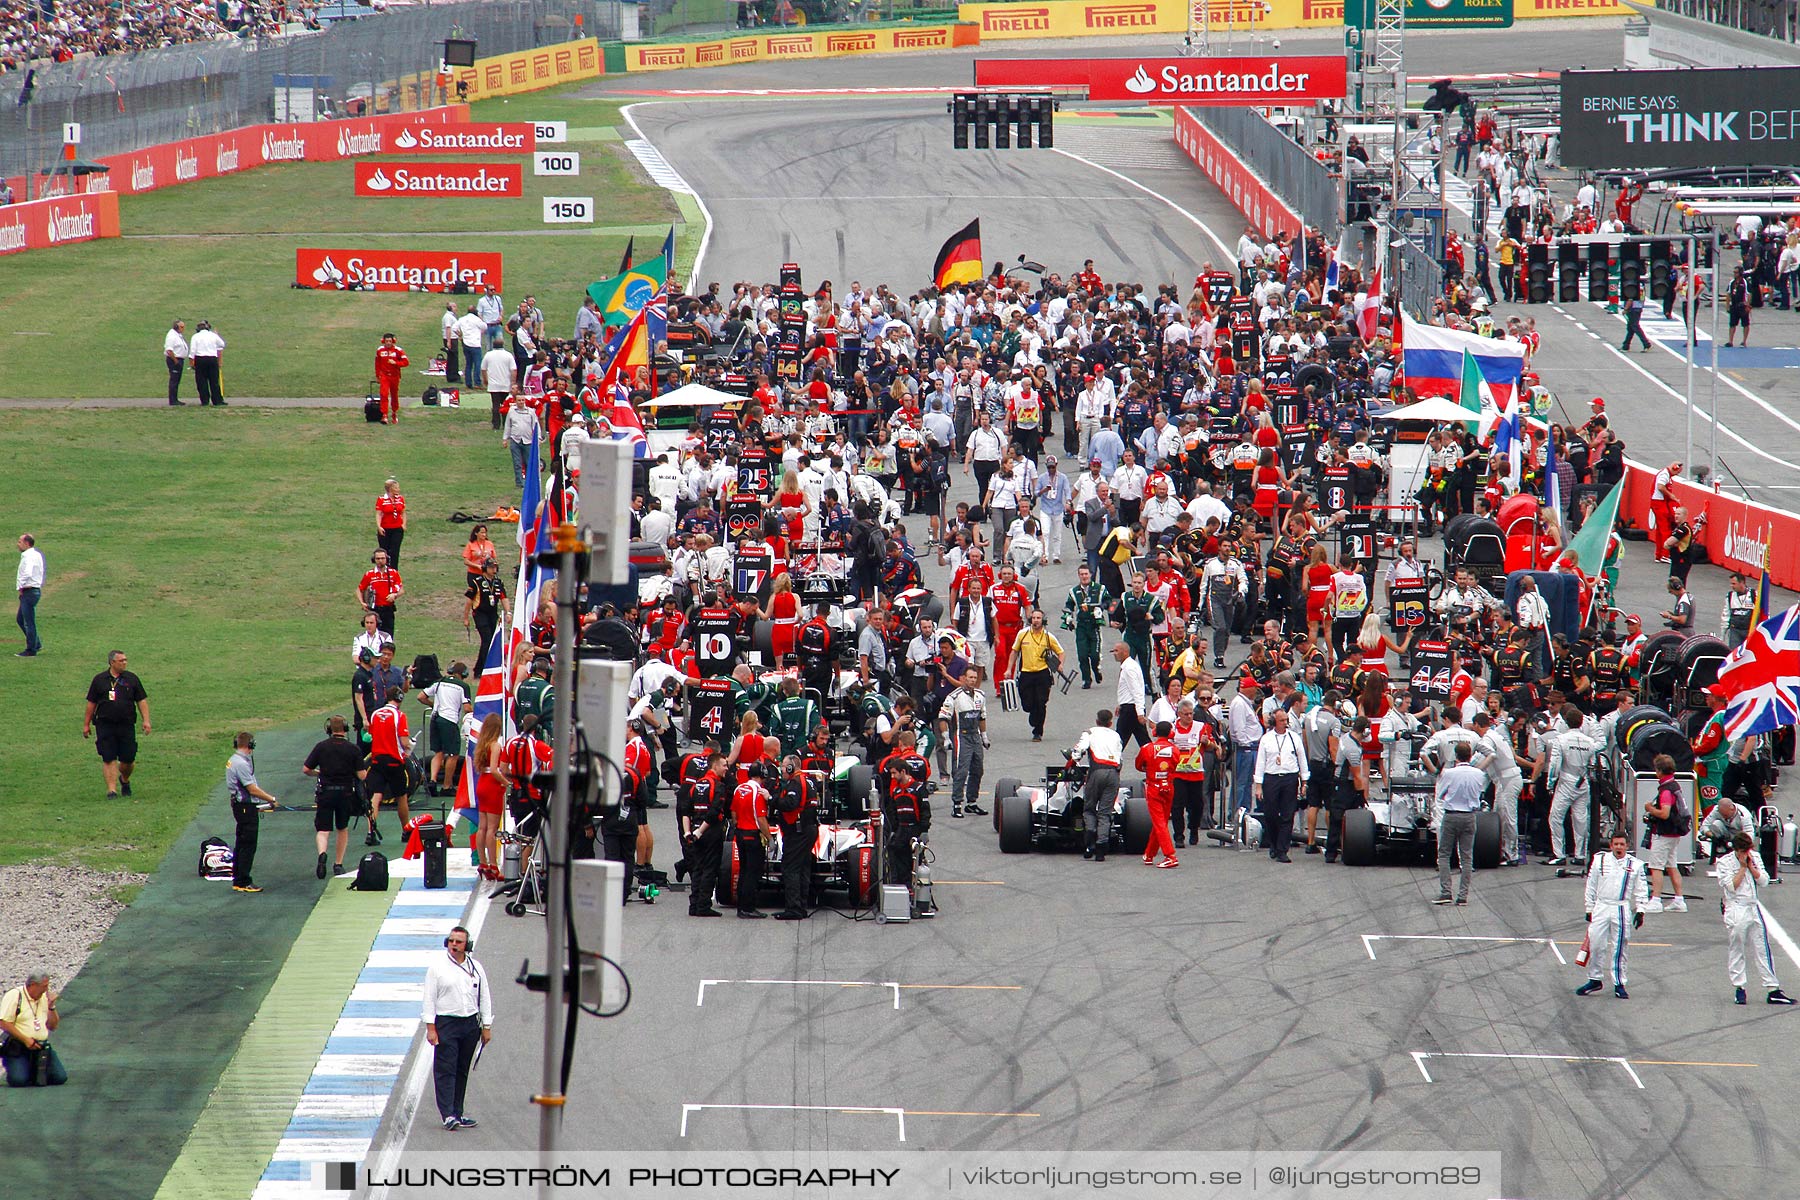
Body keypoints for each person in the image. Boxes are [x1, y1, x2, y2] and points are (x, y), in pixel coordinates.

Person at [422, 925, 493, 1131]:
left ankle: (458, 1112)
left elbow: (485, 997)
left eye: (458, 941)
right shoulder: (437, 968)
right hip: (447, 1023)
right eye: (451, 940)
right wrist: (431, 1028)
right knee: (446, 1069)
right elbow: (429, 999)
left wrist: (486, 1026)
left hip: (470, 1024)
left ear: (467, 945)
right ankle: (447, 1114)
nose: (454, 944)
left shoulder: (476, 967)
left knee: (462, 1069)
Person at [1719, 832, 1795, 1006]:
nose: (1747, 854)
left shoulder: (1755, 857)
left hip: (1753, 906)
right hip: (1736, 907)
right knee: (1737, 946)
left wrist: (1752, 867)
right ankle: (1739, 987)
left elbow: (1764, 881)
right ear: (1737, 850)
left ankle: (1772, 988)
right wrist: (1742, 868)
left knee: (1762, 947)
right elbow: (1731, 887)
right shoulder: (1724, 863)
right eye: (1744, 851)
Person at [1577, 830, 1650, 1000]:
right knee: (1595, 944)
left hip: (1621, 907)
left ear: (1627, 846)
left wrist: (1641, 910)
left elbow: (1641, 889)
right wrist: (1589, 908)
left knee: (1620, 947)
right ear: (1611, 845)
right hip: (1601, 906)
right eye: (1616, 844)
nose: (1619, 847)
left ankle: (1619, 983)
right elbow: (1591, 885)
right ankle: (1594, 979)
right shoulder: (1599, 860)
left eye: (1622, 844)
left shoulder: (1636, 865)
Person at [302, 716, 366, 880]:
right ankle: (338, 864)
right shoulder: (353, 749)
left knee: (323, 830)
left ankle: (322, 853)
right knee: (342, 828)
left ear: (329, 729)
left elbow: (306, 769)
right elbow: (361, 775)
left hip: (326, 792)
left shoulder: (321, 747)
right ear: (345, 729)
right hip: (345, 793)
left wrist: (319, 773)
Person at [84, 650, 149, 800]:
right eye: (121, 661)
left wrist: (146, 720)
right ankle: (111, 790)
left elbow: (141, 700)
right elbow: (91, 703)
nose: (124, 663)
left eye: (125, 660)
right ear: (112, 662)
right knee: (108, 757)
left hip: (126, 724)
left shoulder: (132, 679)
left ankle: (124, 779)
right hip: (105, 724)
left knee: (128, 759)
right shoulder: (99, 680)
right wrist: (86, 724)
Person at [1432, 741, 1487, 905]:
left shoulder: (1449, 773)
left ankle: (1446, 892)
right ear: (1470, 756)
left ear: (1456, 756)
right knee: (1466, 857)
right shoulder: (1479, 774)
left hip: (1451, 815)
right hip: (1470, 816)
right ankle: (1463, 895)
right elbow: (1480, 793)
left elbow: (1440, 794)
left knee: (1444, 854)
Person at [1252, 707, 1308, 863]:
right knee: (1270, 814)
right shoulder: (1267, 738)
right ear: (1274, 722)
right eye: (1281, 720)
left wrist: (1304, 781)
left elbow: (1302, 758)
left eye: (1286, 720)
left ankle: (1282, 849)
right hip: (1271, 778)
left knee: (1288, 814)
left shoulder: (1293, 738)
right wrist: (1258, 785)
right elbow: (1260, 762)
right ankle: (1274, 844)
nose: (1285, 723)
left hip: (1289, 778)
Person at [225, 731, 278, 894]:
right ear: (250, 745)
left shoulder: (233, 761)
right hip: (246, 807)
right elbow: (252, 789)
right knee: (248, 844)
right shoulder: (241, 764)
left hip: (240, 806)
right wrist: (271, 799)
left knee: (241, 843)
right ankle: (243, 880)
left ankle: (238, 878)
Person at [1070, 709, 1124, 861]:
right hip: (1113, 774)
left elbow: (1078, 751)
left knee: (1089, 809)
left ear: (1097, 721)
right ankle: (1101, 847)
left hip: (1096, 773)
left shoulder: (1089, 732)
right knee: (1105, 812)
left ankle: (1089, 843)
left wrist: (1074, 760)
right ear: (1110, 723)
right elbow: (1120, 758)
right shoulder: (1116, 735)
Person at [1642, 752, 1689, 913]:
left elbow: (1664, 813)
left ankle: (1656, 900)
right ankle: (1679, 899)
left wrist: (1650, 809)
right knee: (1672, 865)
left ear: (1659, 771)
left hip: (1664, 833)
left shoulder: (1666, 790)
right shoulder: (1675, 785)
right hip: (1674, 834)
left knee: (1656, 866)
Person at [0, 973, 66, 1087]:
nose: (46, 990)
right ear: (33, 985)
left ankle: (33, 1070)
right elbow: (3, 1022)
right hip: (18, 1046)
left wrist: (51, 1007)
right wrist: (25, 1039)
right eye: (44, 986)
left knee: (60, 1077)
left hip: (41, 1046)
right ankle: (26, 1069)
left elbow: (53, 1026)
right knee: (18, 1081)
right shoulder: (15, 995)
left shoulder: (44, 998)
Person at [365, 686, 412, 846]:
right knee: (401, 796)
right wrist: (409, 746)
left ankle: (370, 832)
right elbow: (404, 742)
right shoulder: (399, 715)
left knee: (376, 796)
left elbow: (370, 735)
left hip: (377, 760)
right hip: (394, 760)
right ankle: (406, 830)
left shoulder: (375, 714)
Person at [1008, 609, 1064, 743]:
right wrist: (1009, 669)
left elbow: (1060, 652)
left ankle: (1038, 732)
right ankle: (1033, 714)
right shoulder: (1023, 634)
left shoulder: (1048, 636)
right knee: (1027, 704)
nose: (1036, 620)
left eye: (1038, 618)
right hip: (1026, 673)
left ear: (1042, 620)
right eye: (1033, 618)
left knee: (1041, 702)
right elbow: (1014, 652)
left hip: (1042, 673)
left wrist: (1060, 664)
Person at [941, 667, 988, 819]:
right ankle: (957, 804)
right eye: (970, 677)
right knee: (961, 771)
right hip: (961, 736)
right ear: (963, 678)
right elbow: (943, 718)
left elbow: (982, 717)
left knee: (978, 769)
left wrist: (984, 737)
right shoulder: (953, 697)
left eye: (975, 677)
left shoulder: (981, 695)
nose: (973, 680)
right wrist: (946, 737)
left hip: (975, 736)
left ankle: (972, 802)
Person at [418, 663, 471, 797]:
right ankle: (447, 786)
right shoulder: (463, 686)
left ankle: (433, 781)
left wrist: (433, 704)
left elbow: (421, 696)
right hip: (449, 720)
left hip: (435, 718)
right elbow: (467, 708)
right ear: (463, 674)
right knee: (453, 754)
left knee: (438, 752)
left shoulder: (439, 682)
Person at [1136, 721, 1180, 867]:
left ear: (1155, 733)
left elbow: (1138, 765)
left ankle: (1170, 856)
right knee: (1161, 821)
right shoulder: (1175, 749)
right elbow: (1175, 764)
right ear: (1170, 733)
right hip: (1168, 787)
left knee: (1159, 822)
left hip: (1154, 787)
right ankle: (1149, 854)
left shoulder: (1147, 748)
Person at [732, 761, 774, 917]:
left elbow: (734, 814)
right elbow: (761, 818)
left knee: (744, 870)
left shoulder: (739, 788)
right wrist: (770, 838)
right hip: (752, 835)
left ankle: (741, 907)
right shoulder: (759, 792)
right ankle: (748, 908)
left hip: (740, 833)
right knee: (753, 872)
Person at [358, 549, 404, 636]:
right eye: (378, 558)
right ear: (374, 560)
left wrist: (395, 595)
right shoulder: (369, 574)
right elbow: (359, 589)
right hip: (375, 610)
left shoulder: (393, 573)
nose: (380, 561)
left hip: (388, 609)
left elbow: (401, 590)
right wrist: (362, 602)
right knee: (374, 635)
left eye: (382, 558)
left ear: (386, 559)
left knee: (388, 636)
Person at [15, 532, 43, 657]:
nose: (17, 544)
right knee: (21, 619)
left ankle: (31, 649)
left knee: (28, 621)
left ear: (27, 543)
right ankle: (36, 643)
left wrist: (20, 586)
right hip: (34, 590)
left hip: (29, 591)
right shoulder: (36, 554)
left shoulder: (27, 556)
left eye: (20, 542)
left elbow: (27, 573)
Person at [374, 333, 410, 425]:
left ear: (393, 341)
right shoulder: (380, 350)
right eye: (386, 341)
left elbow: (406, 362)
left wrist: (395, 363)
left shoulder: (398, 350)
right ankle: (384, 415)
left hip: (394, 376)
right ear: (383, 341)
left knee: (394, 395)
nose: (388, 343)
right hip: (384, 376)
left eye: (390, 341)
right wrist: (377, 376)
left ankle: (394, 413)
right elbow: (377, 364)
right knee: (384, 394)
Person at [190, 320, 226, 406]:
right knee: (214, 381)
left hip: (200, 359)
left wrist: (192, 363)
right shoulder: (213, 335)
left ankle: (205, 401)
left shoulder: (195, 336)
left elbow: (192, 351)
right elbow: (222, 344)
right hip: (212, 359)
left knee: (201, 381)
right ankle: (217, 400)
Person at [375, 478, 407, 568]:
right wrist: (379, 526)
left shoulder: (400, 498)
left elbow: (403, 512)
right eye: (396, 488)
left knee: (395, 551)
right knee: (385, 551)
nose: (398, 489)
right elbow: (379, 514)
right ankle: (385, 570)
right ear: (390, 489)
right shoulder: (381, 499)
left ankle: (394, 571)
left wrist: (403, 524)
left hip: (397, 529)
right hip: (385, 529)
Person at [163, 318, 188, 405]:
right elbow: (169, 350)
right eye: (182, 327)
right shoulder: (172, 336)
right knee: (174, 380)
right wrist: (176, 361)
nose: (183, 328)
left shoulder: (177, 335)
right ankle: (173, 400)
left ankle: (175, 398)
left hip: (178, 359)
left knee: (177, 380)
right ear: (177, 327)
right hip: (174, 360)